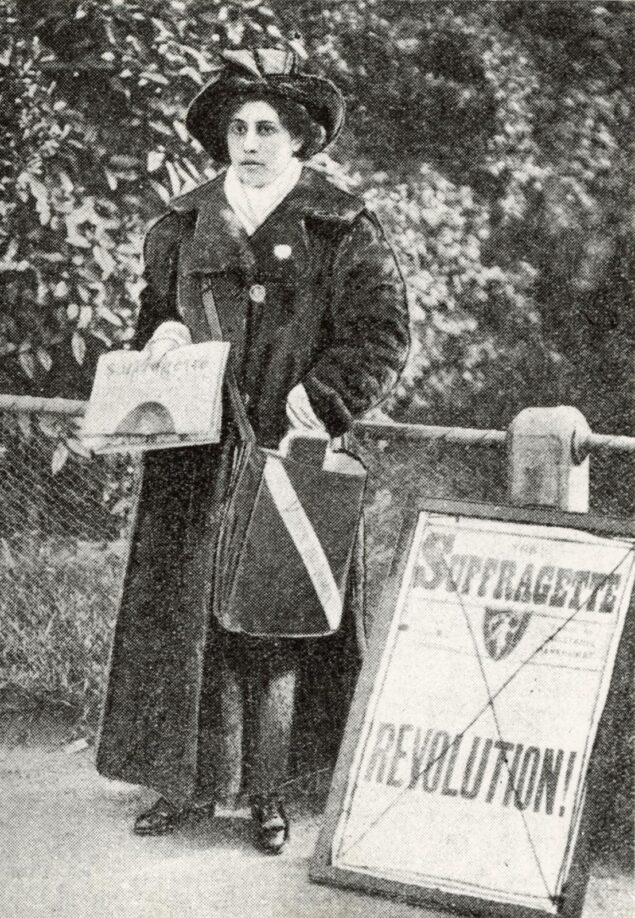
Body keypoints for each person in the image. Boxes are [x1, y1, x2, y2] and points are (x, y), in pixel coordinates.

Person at [96, 47, 409, 854]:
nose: (251, 141)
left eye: (269, 127)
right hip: (192, 454)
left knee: (276, 624)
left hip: (287, 449)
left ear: (301, 138)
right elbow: (150, 317)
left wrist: (327, 395)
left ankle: (271, 794)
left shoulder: (341, 224)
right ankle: (185, 788)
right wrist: (162, 333)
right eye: (237, 127)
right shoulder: (180, 222)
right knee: (185, 622)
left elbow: (380, 336)